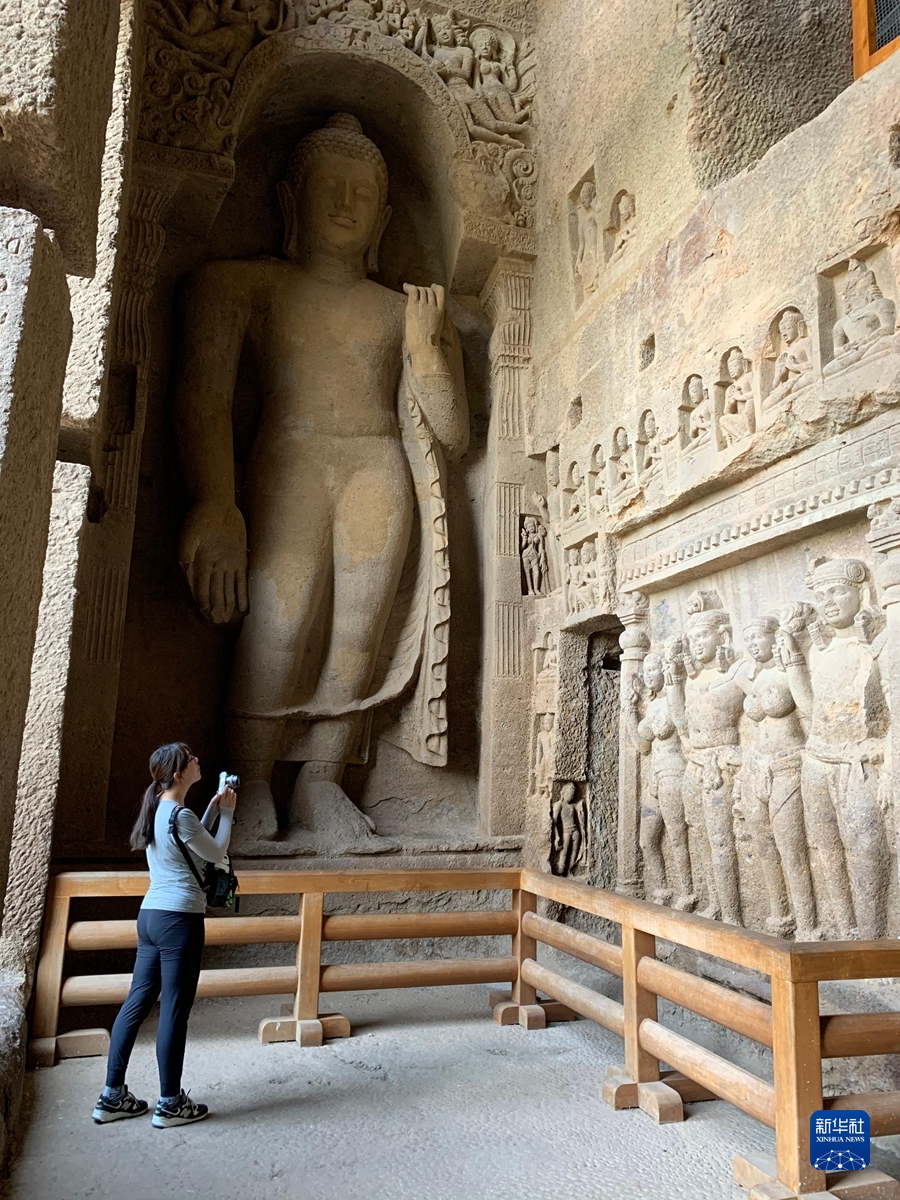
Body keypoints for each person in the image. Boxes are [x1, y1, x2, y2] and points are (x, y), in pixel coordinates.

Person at [91, 742, 237, 1128]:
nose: (197, 760)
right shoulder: (180, 814)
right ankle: (170, 1103)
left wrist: (213, 809)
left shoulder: (158, 807)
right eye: (191, 759)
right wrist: (228, 814)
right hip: (179, 919)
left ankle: (112, 1096)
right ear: (178, 774)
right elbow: (215, 852)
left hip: (151, 916)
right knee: (174, 1009)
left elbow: (186, 839)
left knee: (136, 1003)